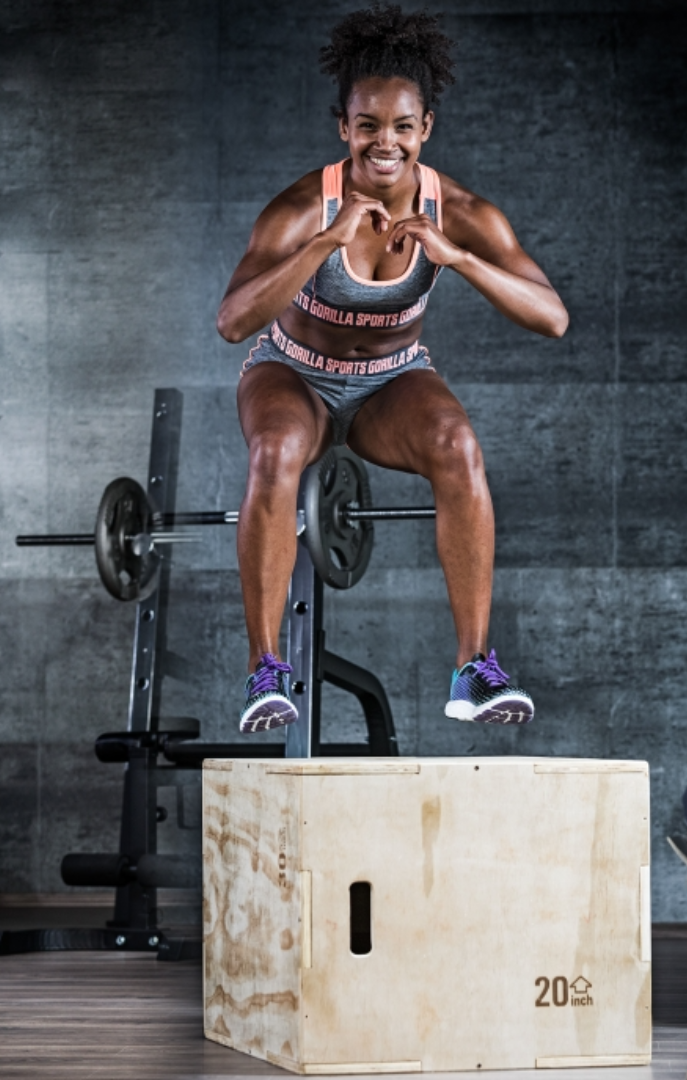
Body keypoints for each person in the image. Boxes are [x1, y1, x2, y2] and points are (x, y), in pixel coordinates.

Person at [217, 4, 568, 734]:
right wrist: (322, 244)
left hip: (390, 381)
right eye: (368, 125)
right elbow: (232, 322)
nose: (387, 142)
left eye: (402, 126)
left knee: (458, 448)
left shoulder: (460, 210)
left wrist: (460, 259)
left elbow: (552, 316)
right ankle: (264, 669)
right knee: (277, 452)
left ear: (426, 128)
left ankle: (473, 668)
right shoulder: (300, 208)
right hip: (291, 372)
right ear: (344, 128)